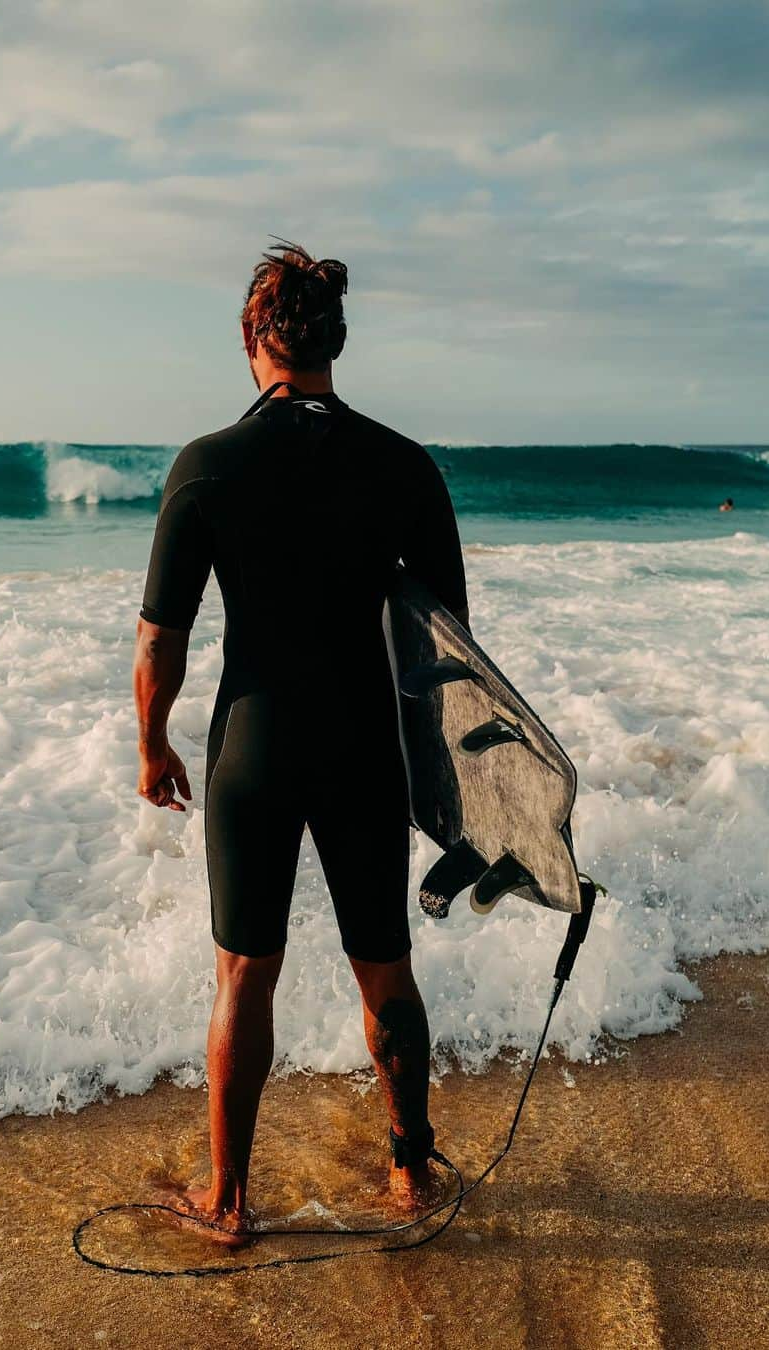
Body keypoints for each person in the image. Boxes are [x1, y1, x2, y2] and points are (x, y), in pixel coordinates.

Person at [133, 240, 468, 1245]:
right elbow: (448, 649)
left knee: (244, 972)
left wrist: (152, 746)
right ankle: (412, 1172)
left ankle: (227, 1200)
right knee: (387, 971)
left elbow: (163, 640)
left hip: (256, 746)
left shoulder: (208, 465)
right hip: (366, 747)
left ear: (254, 342)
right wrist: (447, 784)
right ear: (337, 340)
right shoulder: (405, 466)